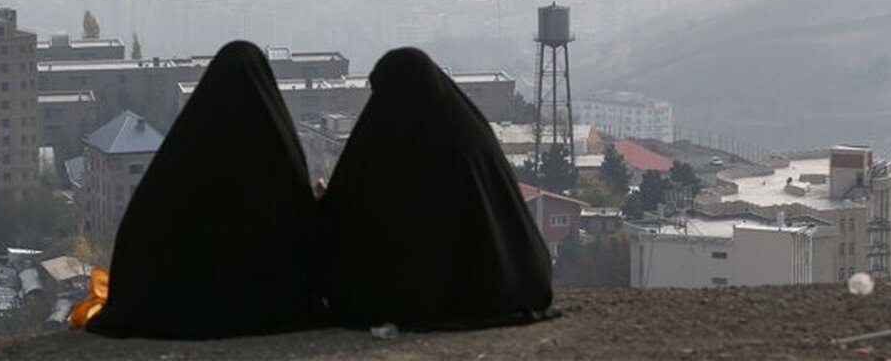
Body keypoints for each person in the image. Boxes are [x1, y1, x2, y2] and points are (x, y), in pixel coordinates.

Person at [85, 41, 322, 339]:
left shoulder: (175, 167)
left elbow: (137, 255)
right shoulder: (277, 159)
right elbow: (301, 244)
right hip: (266, 307)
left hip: (165, 310)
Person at [318, 47, 553, 329]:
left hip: (403, 295)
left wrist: (325, 205)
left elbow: (350, 224)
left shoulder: (380, 142)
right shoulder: (471, 134)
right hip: (497, 285)